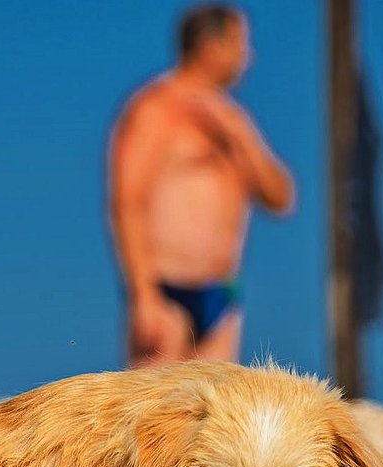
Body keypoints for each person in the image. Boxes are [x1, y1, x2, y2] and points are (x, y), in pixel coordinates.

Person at [109, 4, 295, 366]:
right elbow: (127, 201)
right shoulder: (157, 109)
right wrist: (142, 294)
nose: (248, 57)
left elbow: (280, 198)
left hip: (220, 293)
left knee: (211, 416)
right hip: (166, 291)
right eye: (241, 44)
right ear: (212, 47)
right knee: (156, 413)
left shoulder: (233, 119)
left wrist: (240, 136)